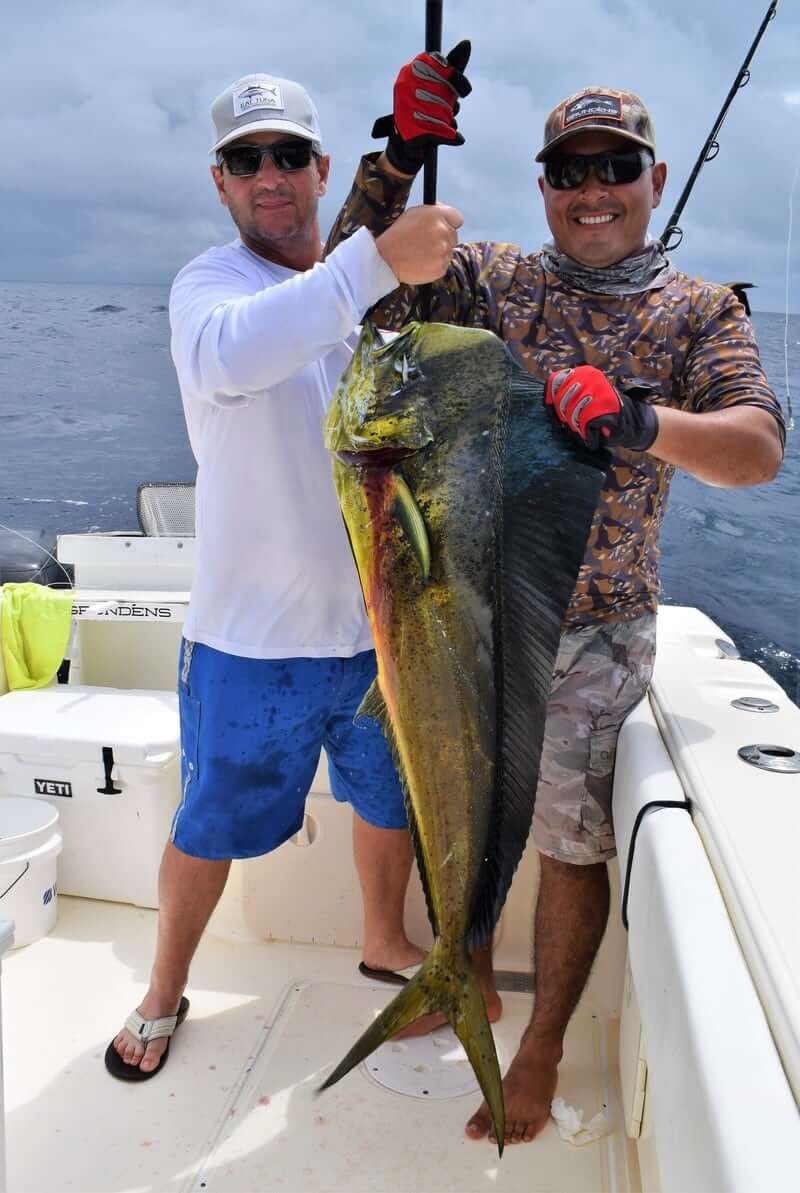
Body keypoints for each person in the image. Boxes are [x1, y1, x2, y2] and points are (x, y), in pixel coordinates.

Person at [325, 47, 786, 1145]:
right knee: (458, 805)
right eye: (569, 171)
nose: (592, 191)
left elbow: (757, 449)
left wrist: (641, 421)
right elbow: (355, 280)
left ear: (654, 178)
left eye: (614, 168)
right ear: (542, 186)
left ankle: (536, 1045)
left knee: (570, 846)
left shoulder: (698, 311)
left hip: (595, 630)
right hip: (465, 612)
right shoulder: (492, 278)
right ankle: (467, 979)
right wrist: (395, 161)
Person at [105, 71, 464, 1081]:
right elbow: (232, 354)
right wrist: (374, 261)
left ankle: (384, 938)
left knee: (388, 799)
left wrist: (399, 176)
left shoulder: (367, 297)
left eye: (288, 154)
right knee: (209, 822)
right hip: (249, 642)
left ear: (318, 168)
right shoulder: (209, 287)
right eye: (245, 158)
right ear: (219, 181)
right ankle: (163, 988)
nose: (269, 174)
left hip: (377, 631)